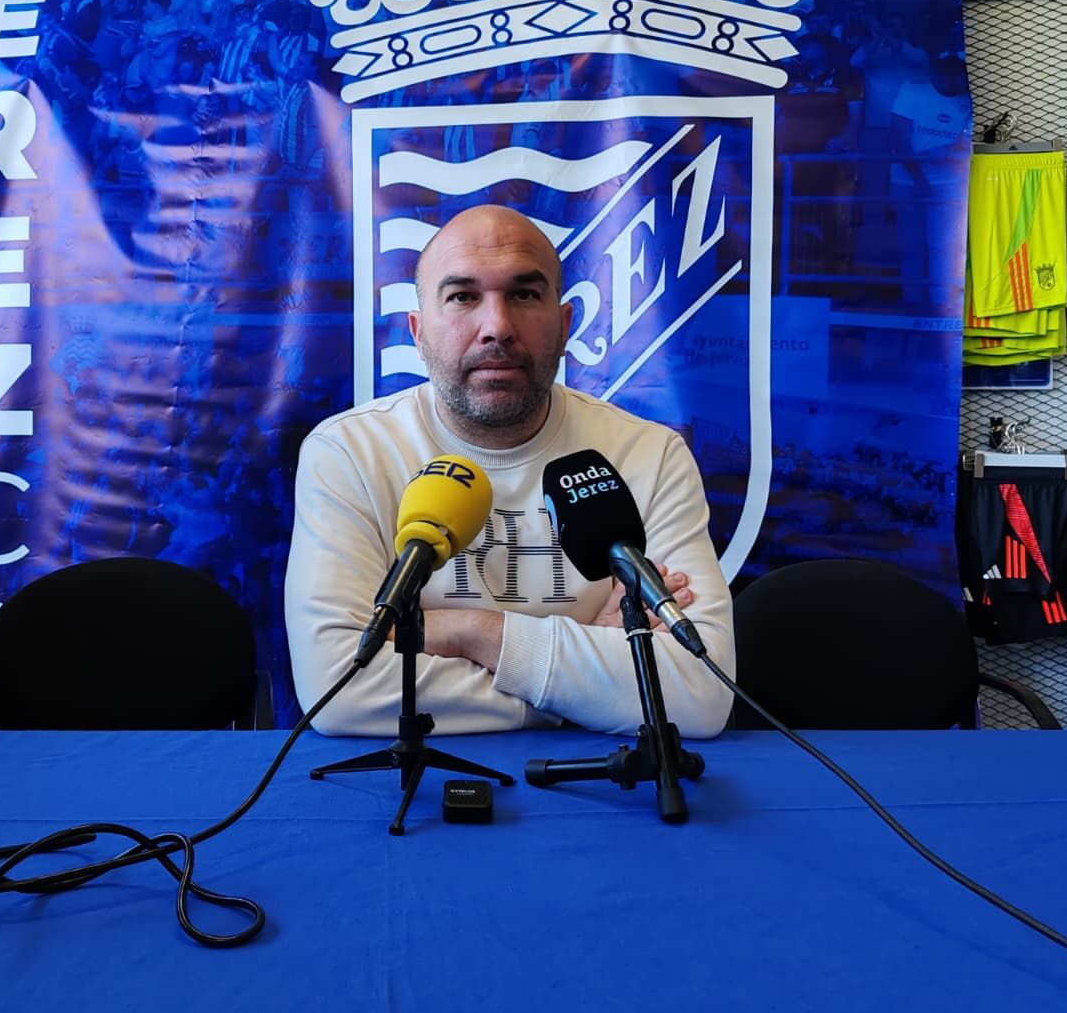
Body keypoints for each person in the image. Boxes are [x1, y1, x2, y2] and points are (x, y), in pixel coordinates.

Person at [284, 206, 735, 736]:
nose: (497, 327)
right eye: (462, 296)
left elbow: (701, 695)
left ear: (565, 324)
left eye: (524, 294)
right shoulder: (349, 454)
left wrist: (470, 632)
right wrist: (586, 675)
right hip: (417, 794)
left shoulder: (650, 456)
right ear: (417, 331)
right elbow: (340, 688)